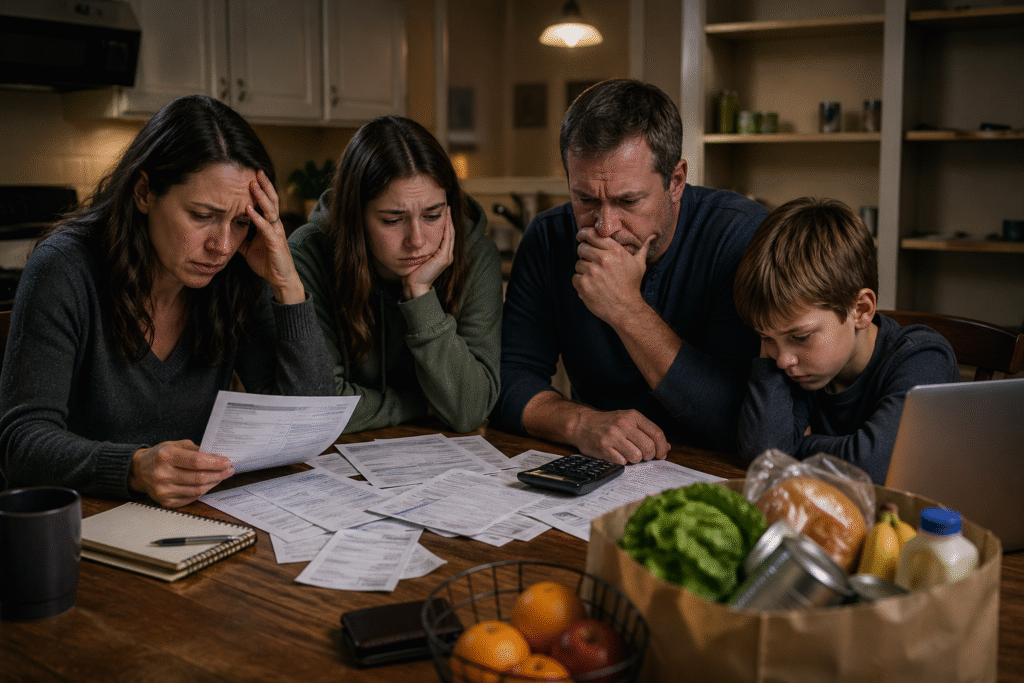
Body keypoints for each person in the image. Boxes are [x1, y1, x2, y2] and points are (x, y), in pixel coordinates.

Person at [0, 95, 333, 508]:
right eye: (202, 215)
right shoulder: (64, 269)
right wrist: (133, 468)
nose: (222, 245)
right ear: (144, 193)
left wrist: (288, 285)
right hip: (85, 526)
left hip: (194, 518)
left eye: (242, 222)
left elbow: (307, 424)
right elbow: (21, 444)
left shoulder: (238, 273)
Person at [495, 79, 767, 463]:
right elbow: (509, 379)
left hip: (715, 470)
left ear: (675, 181)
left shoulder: (741, 237)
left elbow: (737, 420)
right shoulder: (547, 237)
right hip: (598, 464)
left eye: (628, 200)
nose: (604, 227)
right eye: (585, 199)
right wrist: (580, 423)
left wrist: (625, 308)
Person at [288, 115, 502, 433]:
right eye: (392, 219)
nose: (416, 240)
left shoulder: (476, 254)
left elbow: (468, 410)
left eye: (432, 215)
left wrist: (420, 294)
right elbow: (318, 407)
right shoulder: (308, 255)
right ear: (355, 216)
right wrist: (421, 404)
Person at [733, 197, 960, 484]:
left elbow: (871, 468)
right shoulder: (802, 367)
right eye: (766, 338)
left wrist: (795, 449)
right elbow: (763, 454)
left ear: (861, 310)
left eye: (800, 337)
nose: (782, 359)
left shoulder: (924, 357)